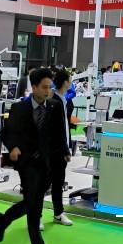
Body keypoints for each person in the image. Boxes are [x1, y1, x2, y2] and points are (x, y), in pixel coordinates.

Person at [0, 68, 66, 244]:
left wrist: (65, 151)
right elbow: (7, 133)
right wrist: (13, 147)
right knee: (34, 208)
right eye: (44, 87)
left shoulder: (55, 107)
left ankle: (4, 219)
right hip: (27, 163)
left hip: (48, 163)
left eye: (49, 87)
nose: (48, 91)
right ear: (33, 87)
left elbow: (59, 133)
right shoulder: (19, 108)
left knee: (32, 203)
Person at [50, 69, 74, 227]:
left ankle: (58, 213)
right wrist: (65, 149)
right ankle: (36, 216)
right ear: (65, 82)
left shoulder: (65, 101)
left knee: (58, 182)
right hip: (53, 149)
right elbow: (55, 129)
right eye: (70, 79)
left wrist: (68, 146)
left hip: (62, 147)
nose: (71, 82)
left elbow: (65, 126)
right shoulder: (53, 101)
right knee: (44, 183)